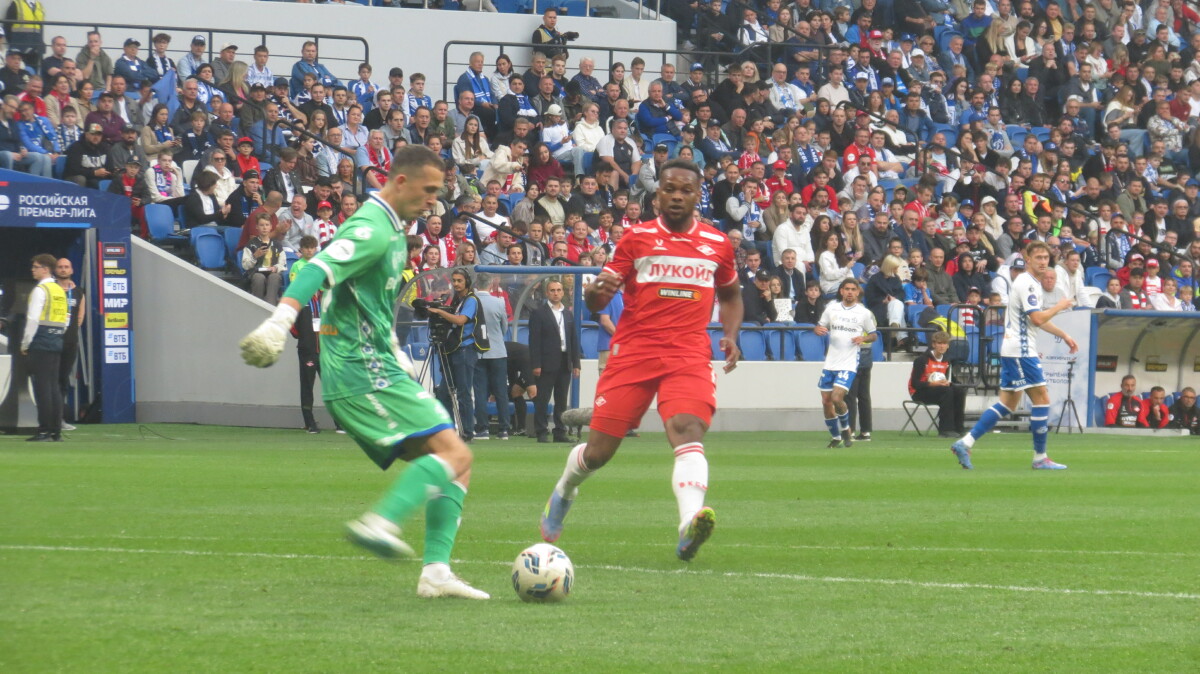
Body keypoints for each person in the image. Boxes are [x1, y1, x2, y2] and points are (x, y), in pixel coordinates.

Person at [240, 144, 488, 600]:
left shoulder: (392, 230)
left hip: (379, 365)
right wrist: (280, 321)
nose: (433, 200)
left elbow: (367, 303)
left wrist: (394, 350)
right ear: (400, 182)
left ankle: (436, 572)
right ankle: (380, 522)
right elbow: (317, 268)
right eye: (428, 189)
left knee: (457, 465)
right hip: (361, 371)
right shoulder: (372, 228)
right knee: (455, 454)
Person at [951, 241, 1078, 470]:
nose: (1043, 262)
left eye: (1045, 258)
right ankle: (1040, 458)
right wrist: (1060, 306)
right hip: (1021, 350)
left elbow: (1035, 320)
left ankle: (965, 442)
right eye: (1038, 257)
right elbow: (1037, 319)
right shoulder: (1027, 283)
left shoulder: (1031, 283)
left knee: (1007, 403)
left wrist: (1064, 335)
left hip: (1014, 348)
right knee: (1042, 399)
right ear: (1027, 259)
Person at [423, 268, 488, 442]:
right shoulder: (458, 299)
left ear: (467, 282)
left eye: (460, 280)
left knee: (463, 393)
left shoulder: (471, 300)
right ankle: (449, 431)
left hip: (465, 349)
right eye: (454, 280)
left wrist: (440, 312)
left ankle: (467, 432)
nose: (457, 284)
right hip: (454, 349)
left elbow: (460, 320)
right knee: (443, 393)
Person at [814, 279, 878, 449]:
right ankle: (836, 438)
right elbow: (820, 326)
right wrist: (817, 330)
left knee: (837, 398)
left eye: (853, 289)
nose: (850, 292)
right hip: (830, 362)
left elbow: (874, 334)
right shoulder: (831, 308)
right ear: (841, 291)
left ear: (858, 292)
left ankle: (846, 430)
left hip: (848, 363)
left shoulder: (863, 313)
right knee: (826, 401)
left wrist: (864, 338)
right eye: (847, 289)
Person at [20, 254, 67, 442]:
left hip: (40, 341)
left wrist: (25, 343)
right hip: (56, 340)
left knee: (42, 388)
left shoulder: (40, 290)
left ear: (45, 269)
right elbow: (66, 318)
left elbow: (33, 319)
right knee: (54, 387)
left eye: (36, 267)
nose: (33, 270)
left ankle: (44, 429)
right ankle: (55, 430)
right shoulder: (58, 290)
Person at [528, 279, 581, 443]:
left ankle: (560, 431)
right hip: (546, 362)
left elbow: (573, 339)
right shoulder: (539, 313)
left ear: (563, 292)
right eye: (552, 290)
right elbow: (534, 341)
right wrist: (536, 364)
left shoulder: (568, 314)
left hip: (565, 360)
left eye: (558, 290)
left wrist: (576, 363)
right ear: (547, 293)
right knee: (543, 399)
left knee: (561, 399)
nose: (556, 293)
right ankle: (541, 431)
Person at [289, 235, 324, 433]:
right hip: (308, 347)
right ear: (301, 250)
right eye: (306, 248)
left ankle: (340, 421)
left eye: (312, 248)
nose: (310, 251)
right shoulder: (297, 267)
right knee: (307, 385)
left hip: (324, 347)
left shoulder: (323, 303)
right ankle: (310, 422)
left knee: (331, 385)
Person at [908, 331, 968, 438]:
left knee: (959, 391)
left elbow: (949, 380)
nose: (942, 346)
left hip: (938, 390)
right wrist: (934, 384)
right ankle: (945, 429)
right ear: (933, 344)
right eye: (939, 343)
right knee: (947, 391)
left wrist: (949, 383)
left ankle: (959, 428)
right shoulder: (922, 360)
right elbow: (915, 383)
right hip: (918, 392)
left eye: (944, 343)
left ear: (948, 345)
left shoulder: (947, 361)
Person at [472, 275, 510, 441]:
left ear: (476, 284)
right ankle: (504, 429)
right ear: (490, 285)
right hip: (497, 351)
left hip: (478, 351)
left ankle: (483, 428)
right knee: (501, 391)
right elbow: (504, 327)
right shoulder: (499, 302)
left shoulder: (471, 302)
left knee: (480, 391)